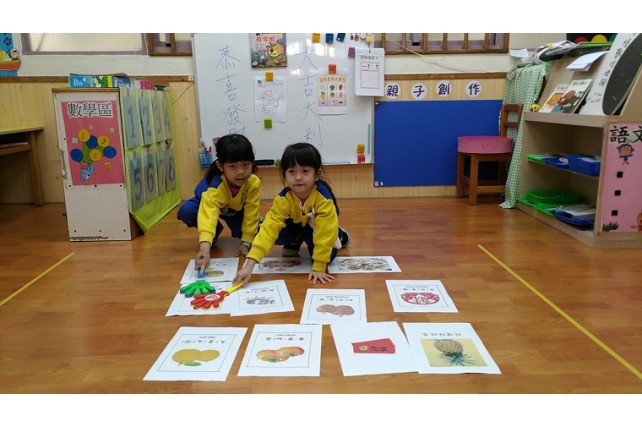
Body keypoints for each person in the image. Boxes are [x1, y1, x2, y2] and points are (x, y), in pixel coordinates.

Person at [233, 142, 350, 285]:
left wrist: (319, 267)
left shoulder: (324, 199)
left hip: (317, 228)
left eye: (305, 171)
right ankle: (295, 239)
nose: (298, 177)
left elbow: (325, 234)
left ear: (317, 175)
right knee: (270, 230)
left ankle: (340, 234)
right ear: (284, 175)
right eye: (292, 172)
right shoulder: (283, 199)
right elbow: (269, 229)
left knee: (328, 258)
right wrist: (249, 265)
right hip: (296, 223)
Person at [177, 134, 261, 274]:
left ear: (252, 163)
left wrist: (246, 243)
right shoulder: (215, 186)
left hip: (234, 210)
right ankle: (214, 231)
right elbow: (208, 214)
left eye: (246, 165)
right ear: (220, 166)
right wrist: (204, 248)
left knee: (251, 232)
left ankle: (253, 229)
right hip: (206, 206)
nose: (241, 172)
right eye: (232, 166)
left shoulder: (253, 183)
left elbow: (251, 212)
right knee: (186, 210)